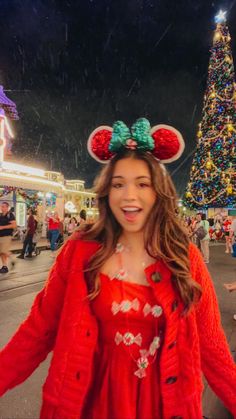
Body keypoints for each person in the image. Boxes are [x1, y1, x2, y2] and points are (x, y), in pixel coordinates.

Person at [0, 118, 236, 419]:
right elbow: (37, 332)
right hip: (90, 404)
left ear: (158, 192)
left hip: (162, 406)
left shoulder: (184, 258)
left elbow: (214, 349)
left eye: (142, 184)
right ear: (106, 192)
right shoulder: (79, 252)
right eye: (118, 184)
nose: (129, 196)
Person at [0, 201, 16, 273]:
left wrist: (3, 227)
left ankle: (13, 259)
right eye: (1, 206)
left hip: (7, 236)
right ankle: (4, 266)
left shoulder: (10, 215)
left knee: (4, 251)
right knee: (1, 252)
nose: (2, 208)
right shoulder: (0, 215)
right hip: (0, 236)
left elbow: (14, 225)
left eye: (3, 206)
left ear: (7, 207)